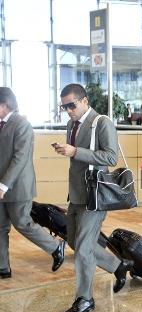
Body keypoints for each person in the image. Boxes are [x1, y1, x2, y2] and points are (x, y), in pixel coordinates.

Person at [54, 84, 132, 312]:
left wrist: (75, 151)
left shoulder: (102, 122)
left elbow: (110, 156)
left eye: (71, 105)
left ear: (84, 101)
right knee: (76, 244)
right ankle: (119, 266)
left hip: (95, 196)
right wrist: (68, 151)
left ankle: (85, 299)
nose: (68, 111)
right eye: (64, 106)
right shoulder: (71, 124)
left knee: (84, 249)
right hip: (77, 194)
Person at [0, 87, 66, 279]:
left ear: (5, 105)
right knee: (0, 227)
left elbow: (20, 158)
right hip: (1, 184)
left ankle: (55, 247)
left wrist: (4, 185)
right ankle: (3, 267)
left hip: (18, 186)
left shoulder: (21, 124)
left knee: (22, 223)